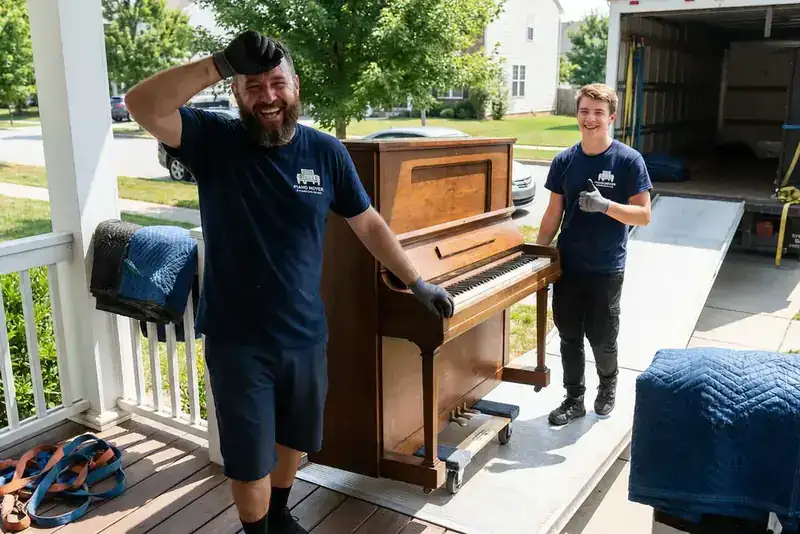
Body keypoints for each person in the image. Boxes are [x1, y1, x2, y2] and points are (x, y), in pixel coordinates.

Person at [125, 31, 454, 534]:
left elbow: (366, 222)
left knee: (294, 439)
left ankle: (279, 515)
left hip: (304, 333)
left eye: (277, 83)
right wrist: (220, 61)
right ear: (236, 93)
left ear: (296, 86)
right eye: (252, 85)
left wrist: (416, 282)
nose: (268, 96)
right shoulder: (212, 141)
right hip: (239, 340)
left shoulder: (325, 152)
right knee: (248, 456)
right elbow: (141, 103)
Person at [535, 83, 652, 427]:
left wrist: (605, 206)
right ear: (577, 115)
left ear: (611, 117)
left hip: (606, 267)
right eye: (585, 111)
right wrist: (539, 255)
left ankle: (608, 385)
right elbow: (553, 213)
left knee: (602, 338)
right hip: (568, 266)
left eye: (598, 113)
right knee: (569, 336)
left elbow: (644, 215)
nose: (590, 118)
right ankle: (573, 399)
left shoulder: (628, 161)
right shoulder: (564, 161)